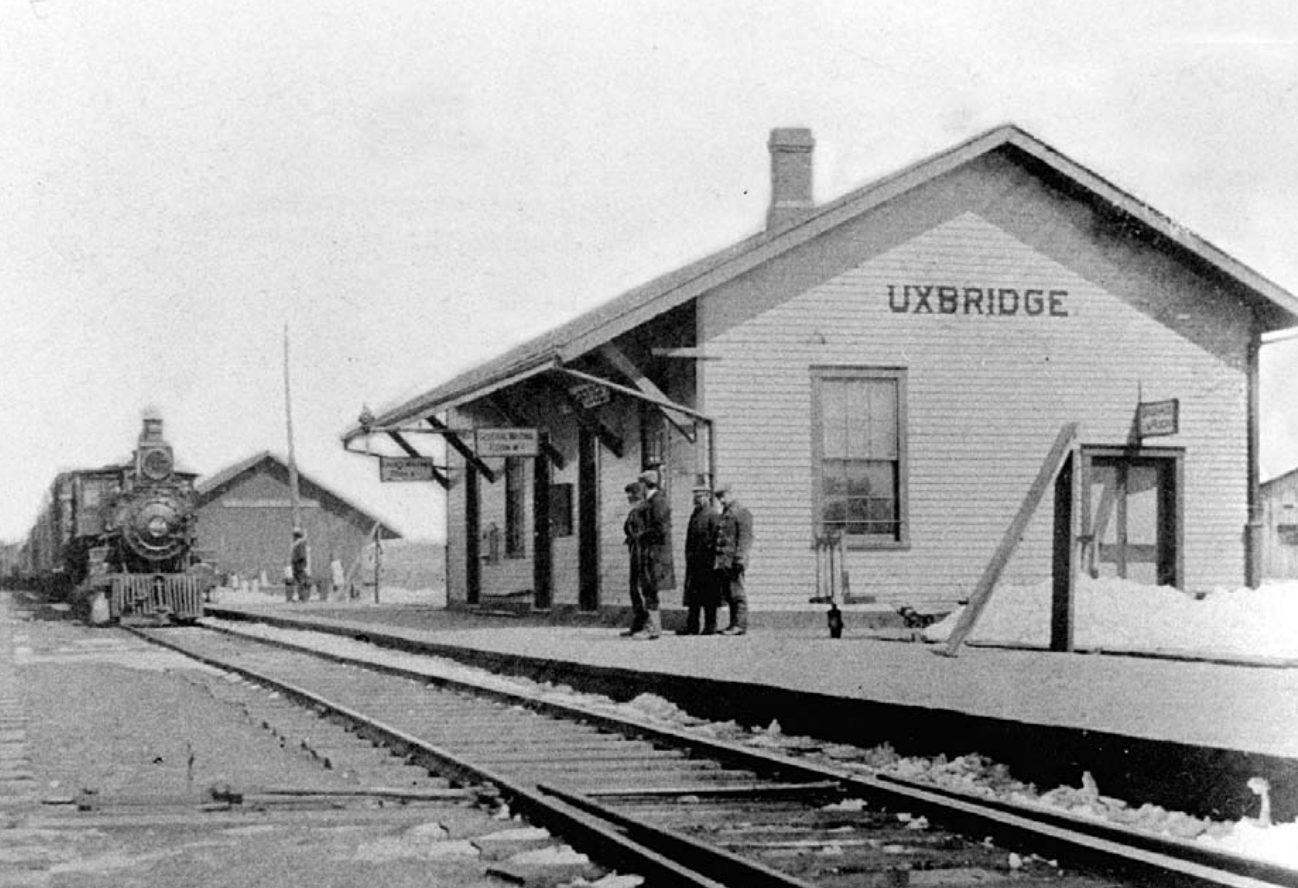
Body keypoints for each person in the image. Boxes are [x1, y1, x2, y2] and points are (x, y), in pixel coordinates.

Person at [630, 469, 675, 640]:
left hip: (654, 554)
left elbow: (660, 530)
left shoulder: (658, 501)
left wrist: (641, 535)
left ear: (644, 484)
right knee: (648, 589)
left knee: (650, 589)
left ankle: (654, 628)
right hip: (649, 552)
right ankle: (652, 626)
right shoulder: (650, 501)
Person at [677, 483, 721, 635]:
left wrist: (712, 558)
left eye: (700, 496)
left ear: (708, 497)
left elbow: (716, 538)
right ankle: (692, 626)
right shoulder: (695, 514)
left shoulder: (713, 514)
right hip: (694, 562)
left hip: (707, 562)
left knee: (709, 595)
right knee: (693, 596)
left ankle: (710, 626)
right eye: (695, 496)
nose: (697, 499)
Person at [713, 483, 753, 635]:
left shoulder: (741, 513)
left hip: (734, 561)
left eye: (723, 496)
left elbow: (745, 539)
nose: (721, 501)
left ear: (731, 493)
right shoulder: (726, 512)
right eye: (719, 498)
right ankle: (732, 624)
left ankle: (740, 625)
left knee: (737, 593)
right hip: (725, 561)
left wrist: (741, 559)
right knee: (730, 594)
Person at [620, 481, 647, 636]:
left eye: (631, 493)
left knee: (641, 588)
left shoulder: (642, 510)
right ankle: (638, 622)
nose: (628, 497)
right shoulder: (634, 511)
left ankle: (645, 623)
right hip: (635, 551)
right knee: (634, 588)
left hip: (642, 552)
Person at [290, 528, 311, 602]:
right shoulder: (298, 544)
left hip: (299, 566)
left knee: (300, 581)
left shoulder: (299, 544)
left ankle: (302, 597)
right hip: (298, 565)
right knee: (299, 581)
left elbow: (301, 556)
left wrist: (295, 561)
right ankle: (301, 597)